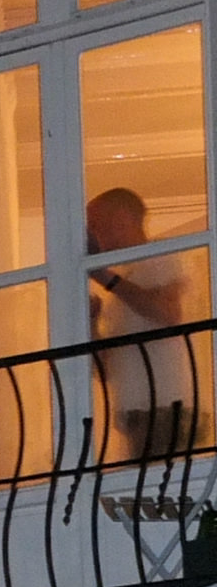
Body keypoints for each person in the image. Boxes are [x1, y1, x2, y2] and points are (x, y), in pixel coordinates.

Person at [90, 185, 201, 460]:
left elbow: (167, 313)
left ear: (121, 220)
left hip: (165, 410)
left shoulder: (161, 258)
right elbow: (105, 369)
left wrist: (106, 278)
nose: (92, 237)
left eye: (96, 226)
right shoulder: (122, 293)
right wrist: (91, 323)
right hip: (136, 416)